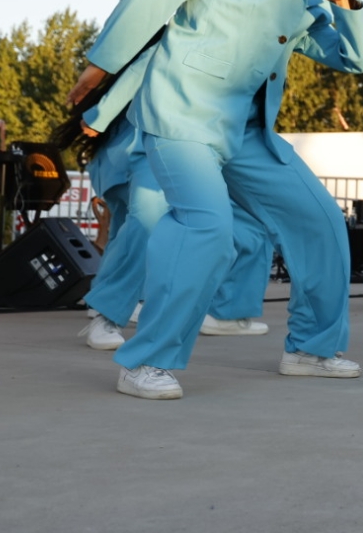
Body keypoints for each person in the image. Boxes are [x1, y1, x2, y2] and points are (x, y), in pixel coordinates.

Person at [67, 0, 363, 399]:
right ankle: (146, 361)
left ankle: (311, 349)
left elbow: (353, 60)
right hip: (182, 115)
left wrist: (344, 7)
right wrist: (101, 66)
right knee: (205, 227)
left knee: (321, 222)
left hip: (245, 135)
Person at [75, 67, 276, 350]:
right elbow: (145, 63)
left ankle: (110, 305)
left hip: (138, 148)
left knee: (133, 227)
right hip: (156, 142)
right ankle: (110, 310)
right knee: (146, 220)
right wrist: (101, 112)